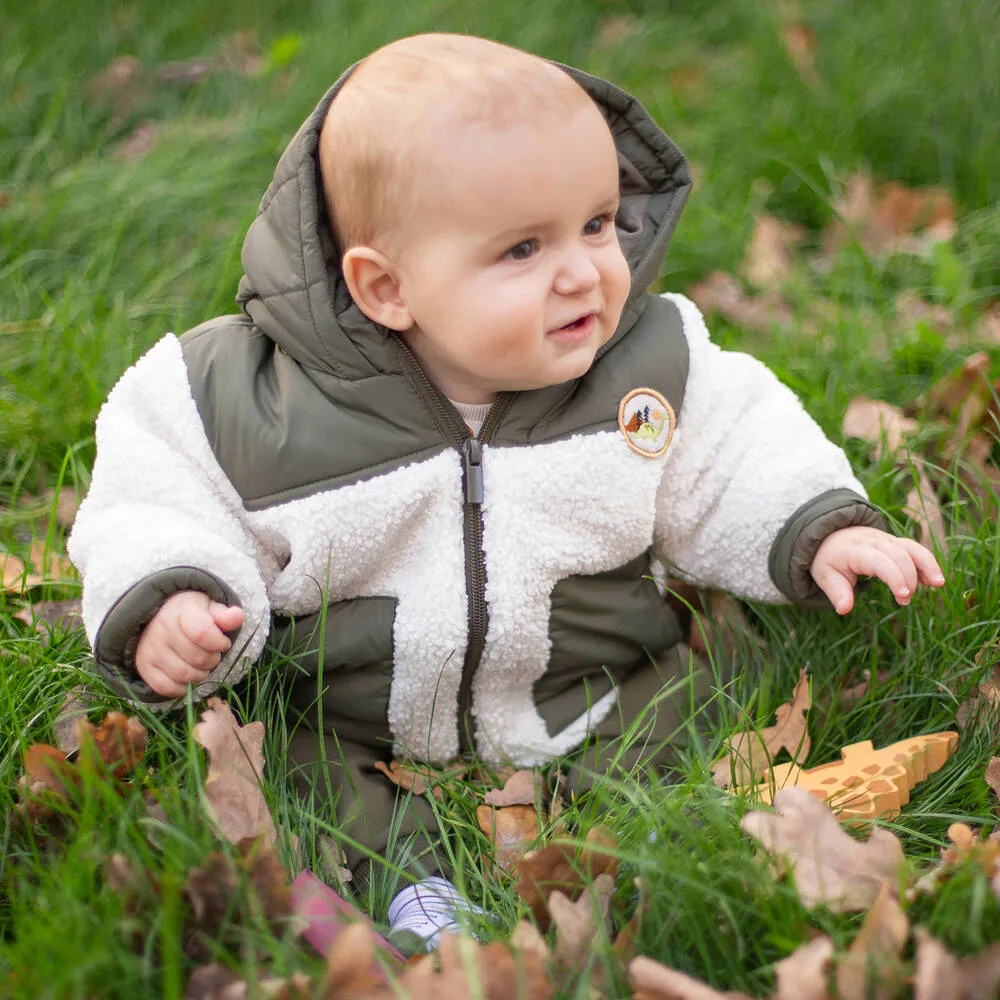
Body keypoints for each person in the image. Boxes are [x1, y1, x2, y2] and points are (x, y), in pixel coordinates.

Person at [68, 33, 944, 950]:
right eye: (523, 248)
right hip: (346, 706)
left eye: (598, 223)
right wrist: (174, 592)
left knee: (689, 698)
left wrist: (816, 526)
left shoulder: (646, 368)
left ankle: (639, 853)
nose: (585, 271)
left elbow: (735, 449)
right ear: (386, 286)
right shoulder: (243, 400)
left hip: (594, 681)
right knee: (290, 755)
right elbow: (158, 491)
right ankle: (412, 889)